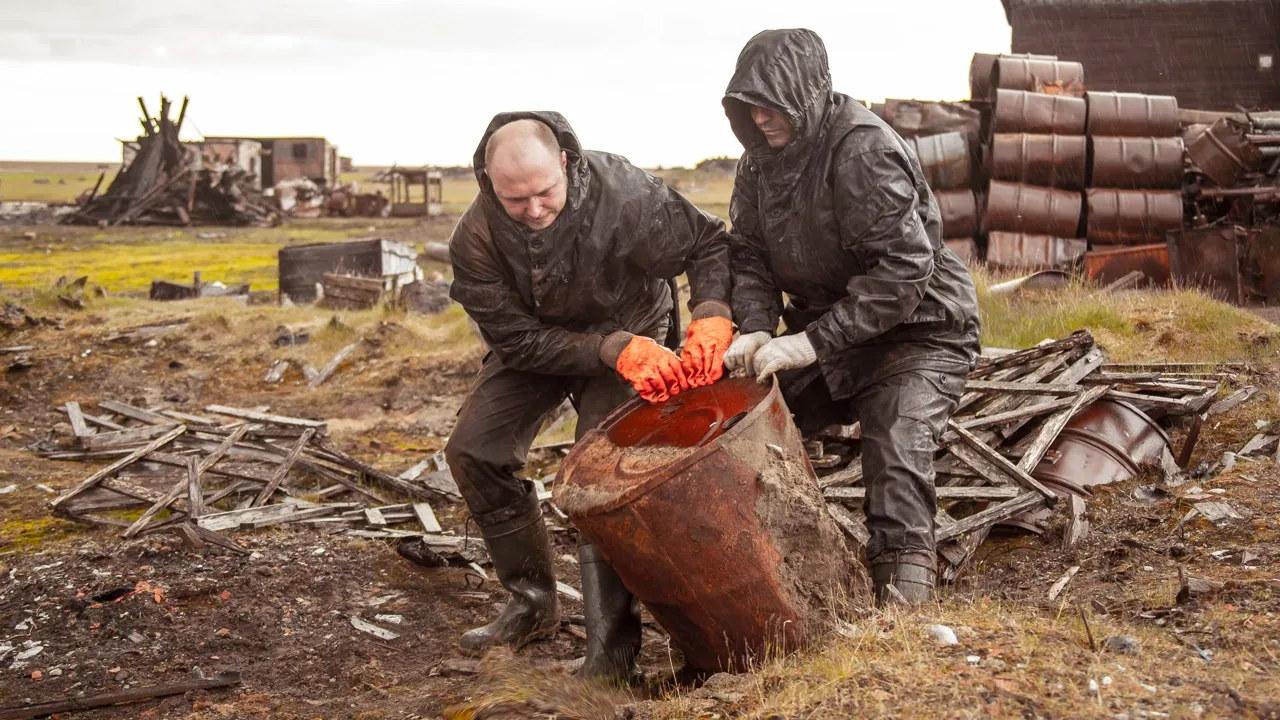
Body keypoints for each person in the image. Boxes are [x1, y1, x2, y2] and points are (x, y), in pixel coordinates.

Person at [441, 111, 734, 681]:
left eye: (545, 192)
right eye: (514, 199)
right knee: (474, 450)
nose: (534, 210)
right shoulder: (473, 237)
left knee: (599, 476)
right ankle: (532, 603)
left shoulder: (623, 194)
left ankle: (612, 654)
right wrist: (607, 348)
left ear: (566, 164)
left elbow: (706, 245)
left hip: (634, 332)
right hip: (539, 343)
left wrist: (713, 315)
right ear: (489, 182)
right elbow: (515, 339)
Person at [720, 29, 981, 604]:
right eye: (749, 106)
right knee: (742, 424)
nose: (760, 119)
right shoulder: (758, 164)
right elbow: (749, 252)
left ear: (808, 94)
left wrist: (811, 342)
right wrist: (759, 323)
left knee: (895, 450)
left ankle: (902, 614)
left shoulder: (861, 148)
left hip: (920, 331)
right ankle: (759, 592)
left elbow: (903, 272)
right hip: (832, 335)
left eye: (772, 104)